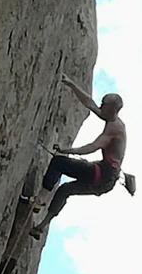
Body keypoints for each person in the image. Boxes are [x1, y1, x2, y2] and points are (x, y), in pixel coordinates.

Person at [30, 77, 126, 240]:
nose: (100, 106)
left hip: (102, 174)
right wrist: (71, 84)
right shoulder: (112, 118)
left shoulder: (114, 129)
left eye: (104, 104)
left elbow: (92, 147)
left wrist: (66, 150)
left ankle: (41, 199)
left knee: (59, 162)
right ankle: (40, 227)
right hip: (105, 181)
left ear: (112, 109)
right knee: (65, 190)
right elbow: (89, 103)